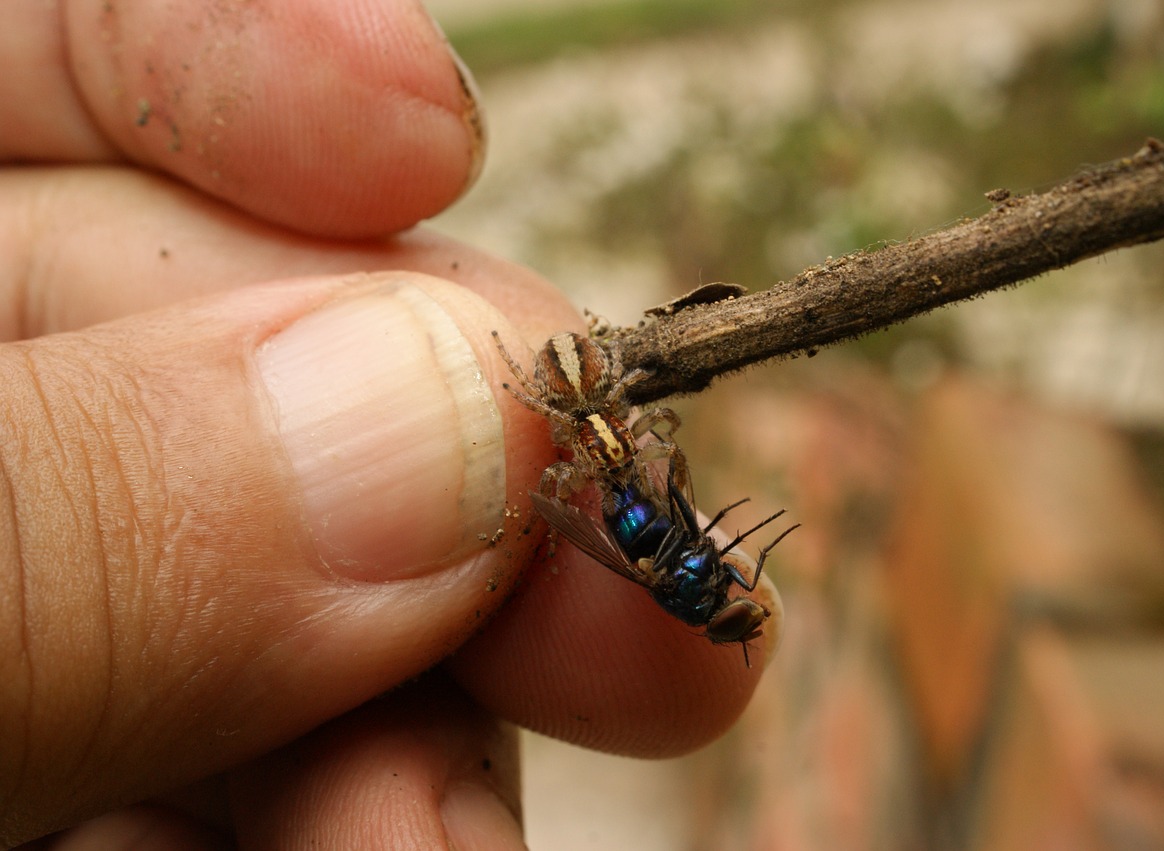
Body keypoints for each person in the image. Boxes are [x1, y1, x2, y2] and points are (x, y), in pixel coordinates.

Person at [1, 1, 779, 847]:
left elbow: (610, 477)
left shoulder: (608, 484)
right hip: (586, 411)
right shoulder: (613, 461)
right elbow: (626, 463)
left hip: (583, 417)